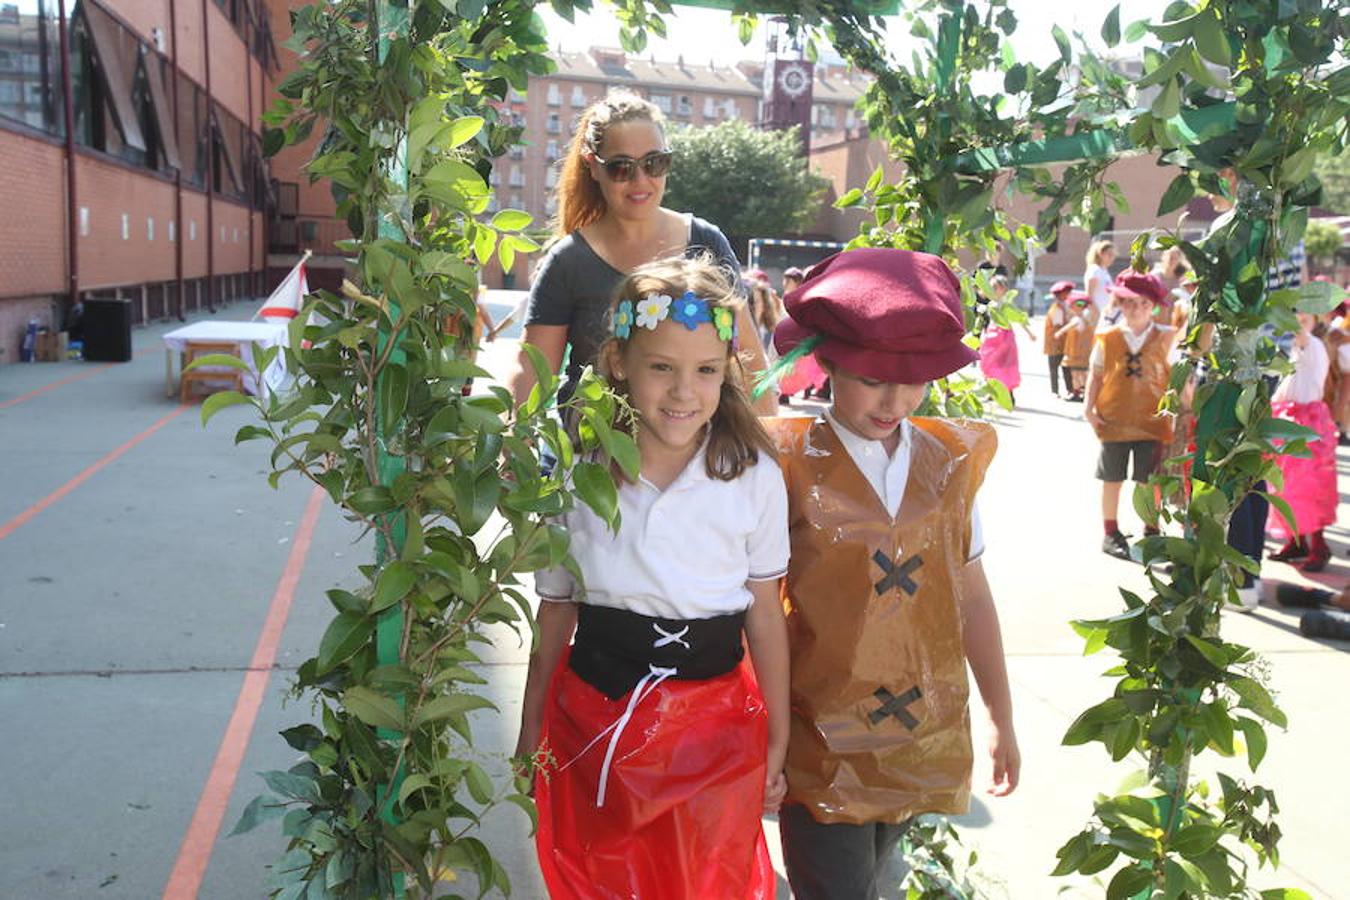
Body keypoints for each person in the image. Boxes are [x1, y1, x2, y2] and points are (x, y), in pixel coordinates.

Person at [517, 256, 791, 899]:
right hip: (594, 730)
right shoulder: (580, 476)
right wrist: (531, 729)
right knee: (599, 877)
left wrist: (776, 737)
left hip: (714, 740)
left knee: (704, 881)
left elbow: (764, 615)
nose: (682, 392)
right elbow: (555, 611)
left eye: (703, 370)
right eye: (661, 367)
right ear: (619, 363)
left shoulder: (753, 478)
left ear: (728, 372)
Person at [763, 248, 1019, 900]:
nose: (895, 398)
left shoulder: (948, 462)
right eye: (875, 377)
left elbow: (972, 596)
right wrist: (769, 737)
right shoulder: (787, 462)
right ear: (830, 362)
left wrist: (1000, 714)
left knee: (872, 884)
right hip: (818, 742)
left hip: (916, 736)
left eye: (913, 379)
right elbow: (757, 610)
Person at [507, 91, 776, 415]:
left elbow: (749, 363)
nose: (640, 180)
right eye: (621, 167)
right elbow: (530, 373)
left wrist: (769, 452)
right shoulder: (568, 262)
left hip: (693, 459)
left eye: (654, 163)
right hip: (590, 458)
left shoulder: (707, 243)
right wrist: (513, 450)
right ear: (593, 166)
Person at [1083, 270, 1176, 560]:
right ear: (1120, 304)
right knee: (1112, 478)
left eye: (1144, 304)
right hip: (1114, 418)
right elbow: (1096, 374)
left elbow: (1175, 377)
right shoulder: (1108, 338)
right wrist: (1089, 407)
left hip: (1153, 420)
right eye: (1130, 303)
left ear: (1154, 307)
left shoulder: (1166, 337)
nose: (1137, 309)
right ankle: (1111, 532)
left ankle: (1151, 530)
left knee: (1149, 480)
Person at [1265, 311, 1337, 572]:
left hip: (1307, 424)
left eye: (1304, 318)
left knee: (1310, 487)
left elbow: (1301, 336)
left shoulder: (1313, 344)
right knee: (1286, 487)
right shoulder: (1296, 348)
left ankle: (1318, 544)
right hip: (1291, 421)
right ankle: (1297, 541)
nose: (1297, 323)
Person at [977, 275, 1034, 404]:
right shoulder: (991, 303)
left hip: (1004, 338)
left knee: (1005, 366)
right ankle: (992, 391)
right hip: (991, 337)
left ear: (1003, 288)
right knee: (988, 364)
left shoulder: (1007, 303)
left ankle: (1008, 394)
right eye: (991, 287)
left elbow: (1019, 318)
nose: (992, 290)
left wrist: (1029, 333)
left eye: (995, 287)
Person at [1057, 290, 1098, 401]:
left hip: (1075, 353)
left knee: (1076, 374)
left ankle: (1078, 392)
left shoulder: (1077, 319)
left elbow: (1071, 325)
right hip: (1083, 353)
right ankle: (1082, 392)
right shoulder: (1087, 320)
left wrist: (1059, 332)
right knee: (1081, 373)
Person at [1043, 280, 1075, 396]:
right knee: (1054, 368)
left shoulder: (1065, 306)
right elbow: (1058, 325)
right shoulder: (1056, 308)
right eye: (1067, 293)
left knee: (1066, 367)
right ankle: (1055, 391)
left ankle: (1069, 389)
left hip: (1063, 342)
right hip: (1055, 344)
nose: (1069, 295)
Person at [1084, 240, 1118, 325]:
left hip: (1104, 317)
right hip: (1095, 316)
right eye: (1109, 254)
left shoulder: (1104, 272)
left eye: (1113, 255)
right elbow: (1089, 297)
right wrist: (1097, 315)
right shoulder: (1095, 270)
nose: (1112, 258)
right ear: (1101, 254)